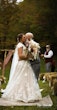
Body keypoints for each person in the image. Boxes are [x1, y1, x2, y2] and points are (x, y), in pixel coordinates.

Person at [1, 33, 42, 103]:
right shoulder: (20, 45)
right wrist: (28, 57)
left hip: (25, 64)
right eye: (24, 37)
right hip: (22, 64)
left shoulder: (23, 45)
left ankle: (27, 94)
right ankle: (20, 95)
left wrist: (30, 54)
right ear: (20, 38)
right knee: (20, 79)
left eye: (25, 37)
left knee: (26, 79)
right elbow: (20, 56)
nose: (25, 38)